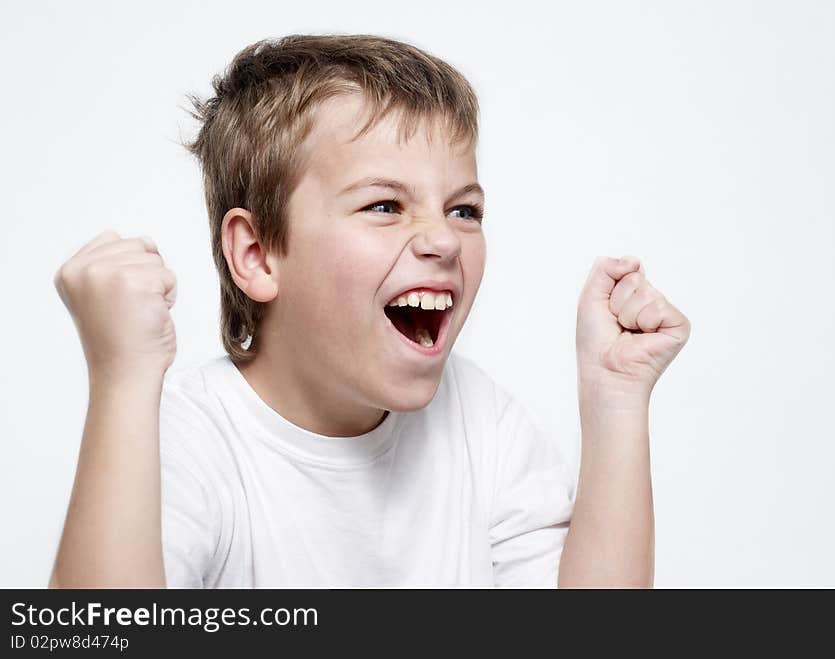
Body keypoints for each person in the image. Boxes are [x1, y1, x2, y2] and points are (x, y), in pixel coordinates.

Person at [48, 34, 690, 588]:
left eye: (463, 209)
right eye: (385, 206)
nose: (442, 239)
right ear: (259, 253)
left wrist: (616, 400)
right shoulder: (182, 444)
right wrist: (122, 380)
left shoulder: (483, 424)